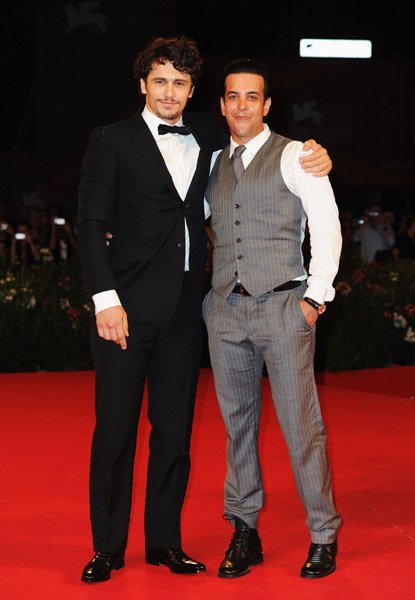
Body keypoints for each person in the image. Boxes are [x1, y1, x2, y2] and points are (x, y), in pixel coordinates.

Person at [76, 36, 334, 584]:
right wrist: (105, 299)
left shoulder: (211, 137)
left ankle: (165, 543)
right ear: (143, 85)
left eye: (180, 83)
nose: (169, 92)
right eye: (160, 81)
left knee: (175, 435)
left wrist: (318, 154)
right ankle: (107, 548)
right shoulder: (111, 140)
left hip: (190, 314)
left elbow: (271, 153)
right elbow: (91, 224)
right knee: (116, 431)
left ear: (194, 91)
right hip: (126, 311)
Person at [202, 58, 342, 580]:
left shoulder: (296, 155)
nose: (242, 105)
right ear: (222, 105)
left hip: (284, 308)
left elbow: (326, 228)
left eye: (251, 96)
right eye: (232, 96)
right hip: (225, 311)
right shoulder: (211, 163)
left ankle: (323, 534)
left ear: (266, 105)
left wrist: (315, 299)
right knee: (237, 427)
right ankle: (244, 531)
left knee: (301, 427)